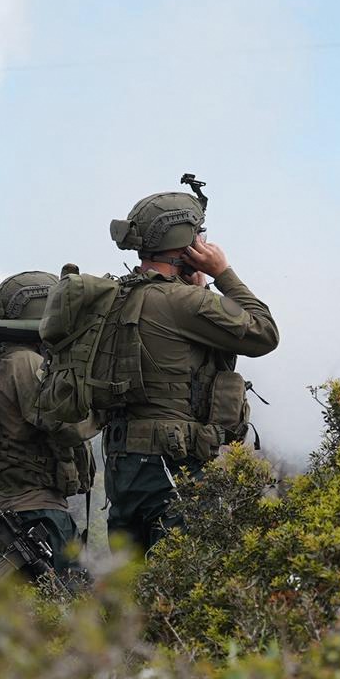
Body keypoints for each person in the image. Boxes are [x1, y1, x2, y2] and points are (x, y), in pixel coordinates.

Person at [100, 191, 280, 552]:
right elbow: (264, 333)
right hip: (171, 461)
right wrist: (222, 273)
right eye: (199, 235)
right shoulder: (185, 302)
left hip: (122, 463)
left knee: (130, 577)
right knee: (182, 572)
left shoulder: (115, 297)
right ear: (185, 243)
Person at [0, 271, 95, 576]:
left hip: (7, 512)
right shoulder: (25, 363)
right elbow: (69, 426)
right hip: (38, 514)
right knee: (68, 598)